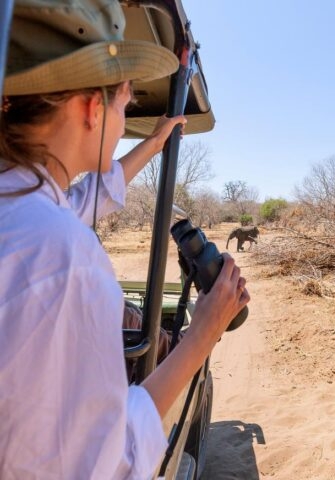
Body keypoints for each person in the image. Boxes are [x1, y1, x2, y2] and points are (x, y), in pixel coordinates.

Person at [0, 2, 250, 480]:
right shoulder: (64, 254)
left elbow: (83, 199)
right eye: (123, 104)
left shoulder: (24, 208)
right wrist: (202, 335)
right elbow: (111, 460)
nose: (124, 115)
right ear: (93, 108)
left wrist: (153, 144)